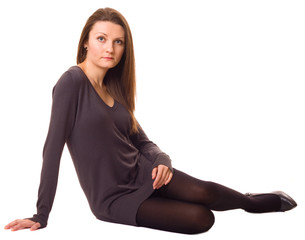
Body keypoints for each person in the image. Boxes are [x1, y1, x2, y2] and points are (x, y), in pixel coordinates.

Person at [4, 8, 297, 235]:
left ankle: (252, 203)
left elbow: (140, 141)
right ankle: (233, 202)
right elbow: (52, 149)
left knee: (205, 192)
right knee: (201, 219)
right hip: (112, 198)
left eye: (118, 42)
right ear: (85, 43)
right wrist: (41, 213)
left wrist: (163, 160)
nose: (110, 48)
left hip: (146, 172)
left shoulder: (113, 89)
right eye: (101, 39)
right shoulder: (71, 82)